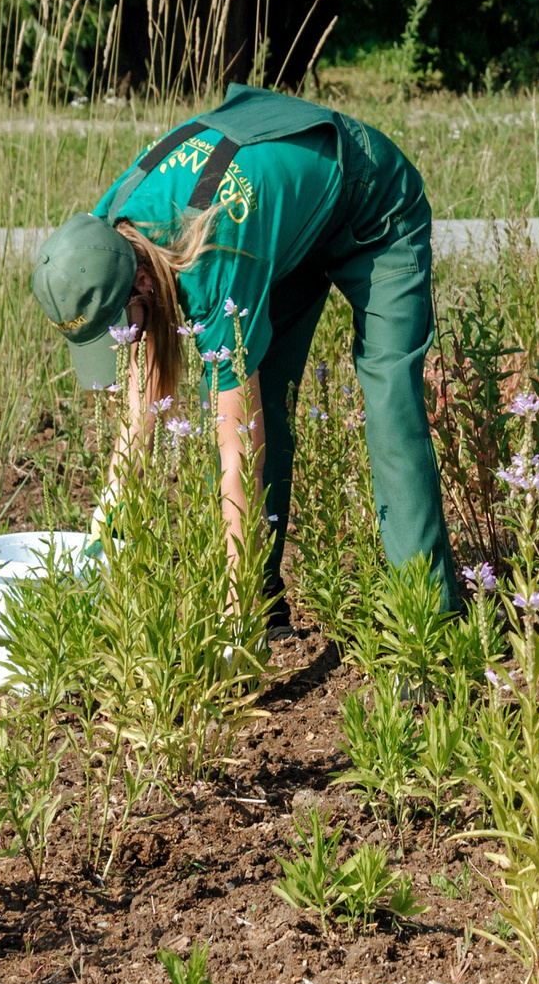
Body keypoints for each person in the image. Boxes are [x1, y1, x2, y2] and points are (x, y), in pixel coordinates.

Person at [30, 82, 458, 616]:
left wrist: (232, 620)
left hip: (370, 199)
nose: (125, 344)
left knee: (390, 400)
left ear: (142, 283)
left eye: (124, 329)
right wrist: (98, 546)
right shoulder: (106, 232)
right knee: (266, 399)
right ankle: (261, 592)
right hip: (280, 226)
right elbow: (145, 404)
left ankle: (429, 622)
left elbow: (236, 453)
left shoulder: (212, 261)